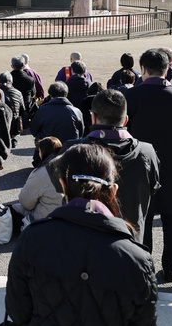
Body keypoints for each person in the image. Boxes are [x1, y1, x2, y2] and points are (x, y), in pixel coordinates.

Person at [6, 144, 158, 326]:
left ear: (63, 185)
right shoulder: (138, 259)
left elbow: (17, 312)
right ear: (113, 191)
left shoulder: (32, 239)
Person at [124, 48, 172, 283]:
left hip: (139, 165)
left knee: (143, 218)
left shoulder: (131, 97)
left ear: (142, 69)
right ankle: (170, 268)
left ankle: (145, 266)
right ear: (167, 68)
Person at [65, 88, 161, 232]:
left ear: (93, 117)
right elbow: (153, 188)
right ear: (126, 119)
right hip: (132, 239)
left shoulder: (73, 149)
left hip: (85, 239)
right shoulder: (147, 151)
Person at [10, 137, 64, 223]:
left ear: (43, 152)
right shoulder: (69, 166)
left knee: (14, 208)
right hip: (67, 214)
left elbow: (26, 202)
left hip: (47, 217)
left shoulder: (41, 173)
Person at [10, 56, 40, 122]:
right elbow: (33, 93)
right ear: (24, 66)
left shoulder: (9, 79)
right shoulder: (30, 79)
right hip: (26, 108)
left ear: (12, 66)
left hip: (12, 106)